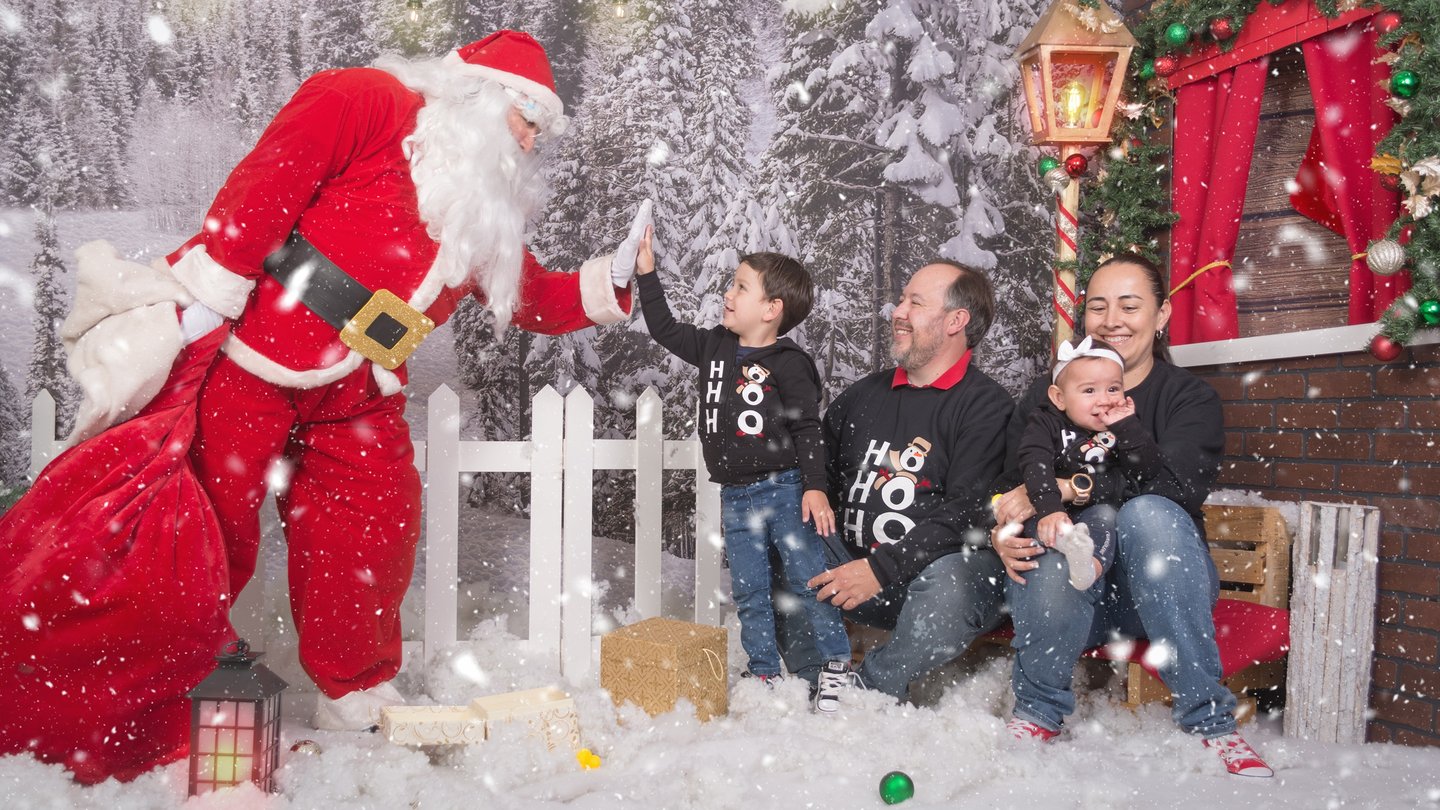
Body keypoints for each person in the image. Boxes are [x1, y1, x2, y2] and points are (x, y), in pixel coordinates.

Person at [0, 30, 648, 783]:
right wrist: (211, 297)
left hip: (360, 389)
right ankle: (158, 694)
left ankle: (355, 686)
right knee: (205, 532)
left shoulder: (481, 209)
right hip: (252, 358)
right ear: (479, 97)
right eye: (526, 120)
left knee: (374, 526)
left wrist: (615, 277)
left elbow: (530, 296)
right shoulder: (364, 99)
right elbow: (264, 189)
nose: (532, 142)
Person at [992, 254, 1273, 777]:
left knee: (1148, 513)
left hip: (1157, 595)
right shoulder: (1050, 395)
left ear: (1161, 315)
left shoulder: (1187, 398)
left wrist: (1072, 486)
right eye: (1098, 307)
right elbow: (1008, 488)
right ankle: (1037, 714)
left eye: (1129, 305)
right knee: (1056, 536)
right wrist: (1002, 531)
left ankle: (1211, 722)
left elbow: (1174, 488)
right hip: (1073, 600)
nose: (1111, 320)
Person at [633, 225, 853, 712]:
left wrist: (815, 487)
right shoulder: (714, 346)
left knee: (810, 581)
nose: (727, 294)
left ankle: (836, 665)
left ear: (771, 309)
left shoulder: (790, 363)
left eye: (740, 287)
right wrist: (647, 274)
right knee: (750, 590)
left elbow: (808, 428)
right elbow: (664, 328)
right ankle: (764, 672)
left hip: (785, 490)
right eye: (731, 285)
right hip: (735, 495)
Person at [774, 261, 1014, 702]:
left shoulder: (987, 407)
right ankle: (813, 680)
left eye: (915, 303)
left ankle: (869, 688)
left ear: (956, 321)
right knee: (782, 524)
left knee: (955, 579)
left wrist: (880, 569)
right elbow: (818, 476)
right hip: (849, 575)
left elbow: (967, 513)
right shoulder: (864, 396)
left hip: (929, 584)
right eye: (901, 300)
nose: (897, 312)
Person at [1010, 334, 1163, 592]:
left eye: (1113, 389)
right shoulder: (1045, 422)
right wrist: (1050, 507)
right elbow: (1035, 461)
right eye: (1089, 390)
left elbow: (1146, 471)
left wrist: (1128, 428)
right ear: (1059, 398)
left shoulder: (1124, 427)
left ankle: (1089, 566)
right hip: (1048, 507)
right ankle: (1065, 542)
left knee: (1105, 518)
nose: (1104, 399)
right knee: (1038, 526)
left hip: (1095, 508)